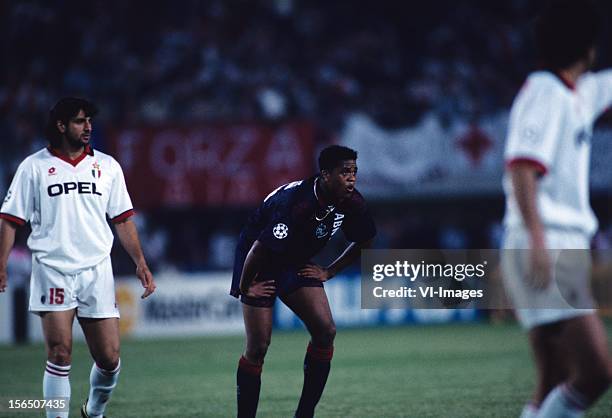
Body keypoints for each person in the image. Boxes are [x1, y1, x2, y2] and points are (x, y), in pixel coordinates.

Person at [0, 97, 156, 418]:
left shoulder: (108, 167)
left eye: (89, 121)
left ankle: (93, 411)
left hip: (96, 270)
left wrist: (140, 261)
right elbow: (10, 220)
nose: (88, 127)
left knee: (110, 359)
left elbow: (123, 219)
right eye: (79, 121)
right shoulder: (33, 167)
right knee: (59, 352)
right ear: (61, 125)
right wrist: (1, 263)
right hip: (52, 268)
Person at [501, 1, 612, 417]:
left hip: (555, 240)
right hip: (544, 240)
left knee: (554, 374)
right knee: (596, 372)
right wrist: (538, 240)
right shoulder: (545, 92)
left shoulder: (579, 91)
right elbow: (523, 167)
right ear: (588, 48)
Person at [230, 145, 375, 418]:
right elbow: (257, 250)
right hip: (259, 262)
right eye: (345, 172)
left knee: (326, 331)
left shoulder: (353, 201)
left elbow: (364, 241)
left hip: (294, 261)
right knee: (258, 347)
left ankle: (304, 414)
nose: (352, 178)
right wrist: (244, 286)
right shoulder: (296, 204)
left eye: (354, 172)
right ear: (326, 175)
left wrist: (329, 271)